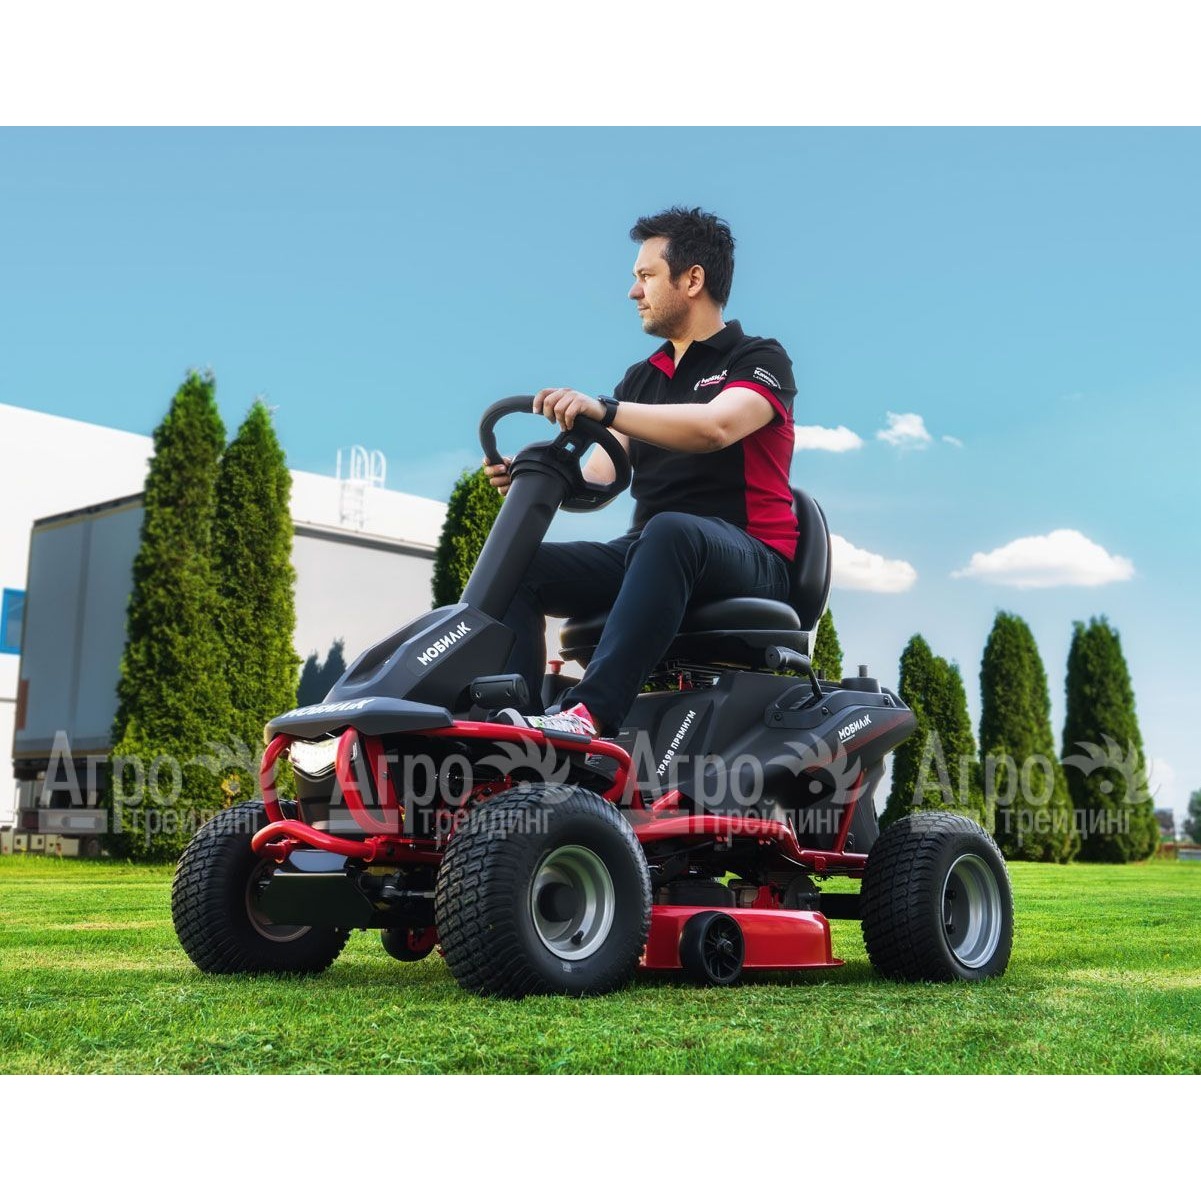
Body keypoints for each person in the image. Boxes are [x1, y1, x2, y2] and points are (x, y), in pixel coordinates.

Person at [484, 206, 799, 738]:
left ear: (692, 280)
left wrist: (605, 409)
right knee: (521, 566)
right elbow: (601, 477)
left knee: (670, 531)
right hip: (654, 551)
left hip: (752, 554)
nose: (634, 291)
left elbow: (716, 427)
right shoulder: (641, 378)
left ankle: (589, 714)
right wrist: (537, 475)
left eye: (646, 276)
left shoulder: (759, 357)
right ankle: (509, 724)